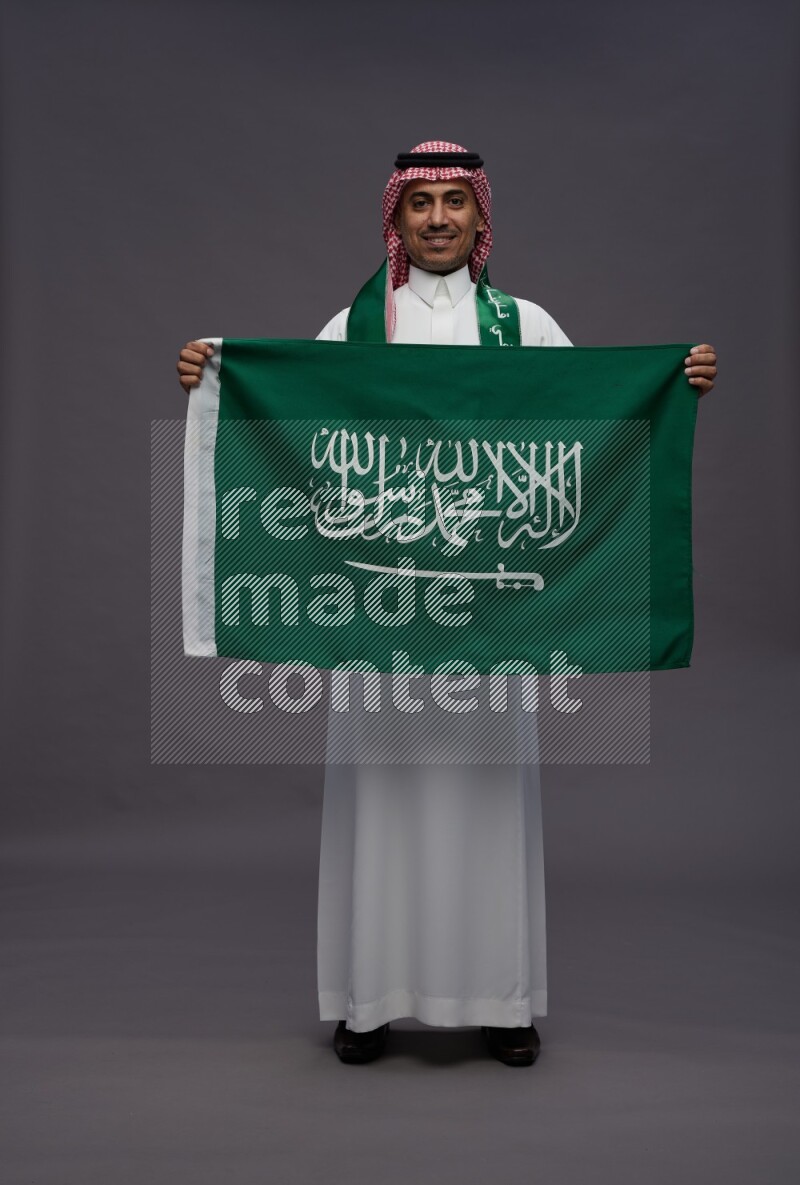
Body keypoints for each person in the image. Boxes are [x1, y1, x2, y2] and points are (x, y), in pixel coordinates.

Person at [177, 141, 717, 1067]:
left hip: (489, 622)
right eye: (419, 203)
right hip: (379, 615)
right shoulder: (354, 331)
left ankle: (500, 1004)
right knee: (377, 804)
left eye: (453, 202)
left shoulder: (526, 324)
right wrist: (216, 381)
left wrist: (674, 386)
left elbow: (593, 430)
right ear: (395, 218)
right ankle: (367, 999)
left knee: (488, 803)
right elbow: (292, 420)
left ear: (480, 218)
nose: (436, 219)